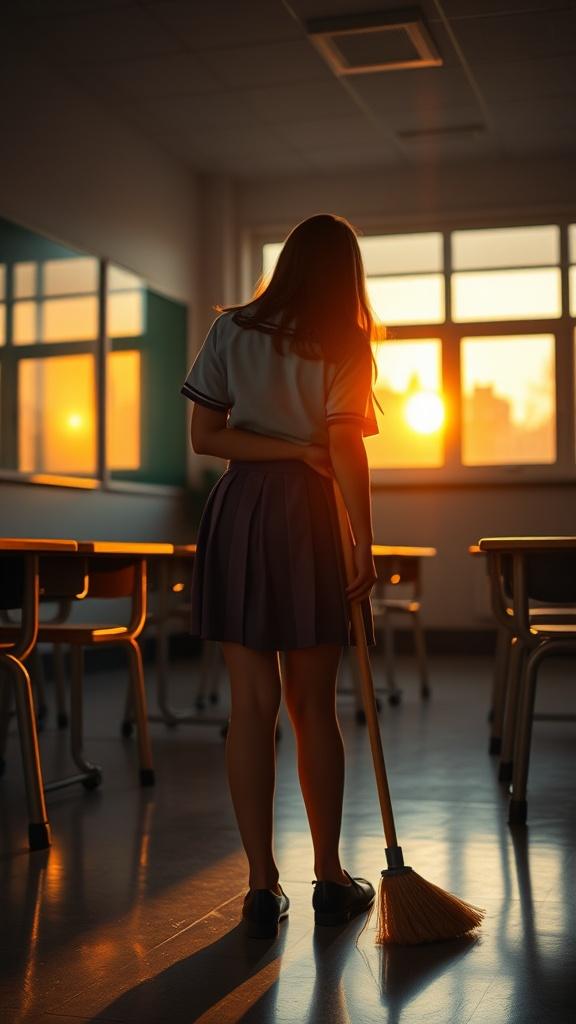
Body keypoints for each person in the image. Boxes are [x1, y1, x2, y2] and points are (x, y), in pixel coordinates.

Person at [181, 213, 380, 939]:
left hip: (238, 509)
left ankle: (261, 887)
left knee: (251, 703)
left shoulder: (232, 329)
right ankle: (328, 876)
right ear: (345, 275)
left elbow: (207, 438)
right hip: (306, 520)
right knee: (312, 706)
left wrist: (276, 450)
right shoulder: (346, 343)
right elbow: (344, 448)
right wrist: (365, 538)